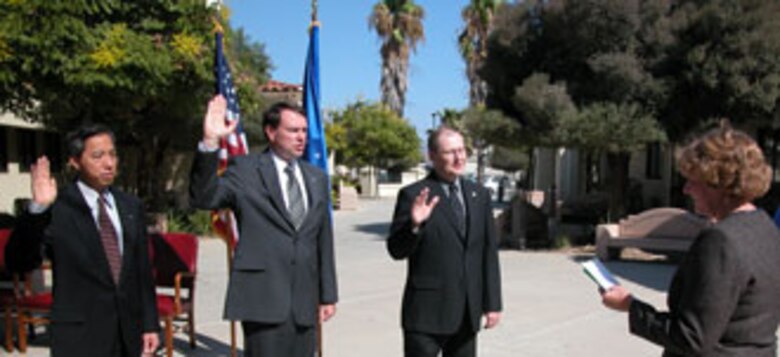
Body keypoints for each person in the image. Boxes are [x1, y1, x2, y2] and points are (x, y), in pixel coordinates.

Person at [601, 123, 780, 356]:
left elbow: (691, 337)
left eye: (693, 180)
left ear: (719, 182)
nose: (686, 189)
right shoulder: (764, 228)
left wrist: (630, 306)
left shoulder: (720, 241)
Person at [190, 96, 337, 356]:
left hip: (304, 301)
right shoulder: (246, 170)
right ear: (271, 132)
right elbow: (204, 197)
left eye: (304, 131)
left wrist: (328, 294)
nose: (301, 137)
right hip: (263, 298)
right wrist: (210, 142)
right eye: (293, 130)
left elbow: (323, 239)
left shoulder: (316, 178)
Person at [5, 124, 160, 356]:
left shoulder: (130, 206)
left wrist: (149, 324)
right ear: (75, 162)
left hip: (128, 332)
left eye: (112, 154)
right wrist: (37, 209)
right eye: (97, 156)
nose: (109, 163)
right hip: (80, 336)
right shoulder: (58, 208)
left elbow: (141, 271)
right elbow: (19, 261)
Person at [387, 126, 502, 357]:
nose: (459, 157)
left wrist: (493, 303)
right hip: (425, 315)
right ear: (432, 156)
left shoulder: (479, 195)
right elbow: (396, 250)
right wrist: (415, 225)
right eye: (450, 152)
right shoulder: (414, 195)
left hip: (467, 314)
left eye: (461, 150)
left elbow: (488, 253)